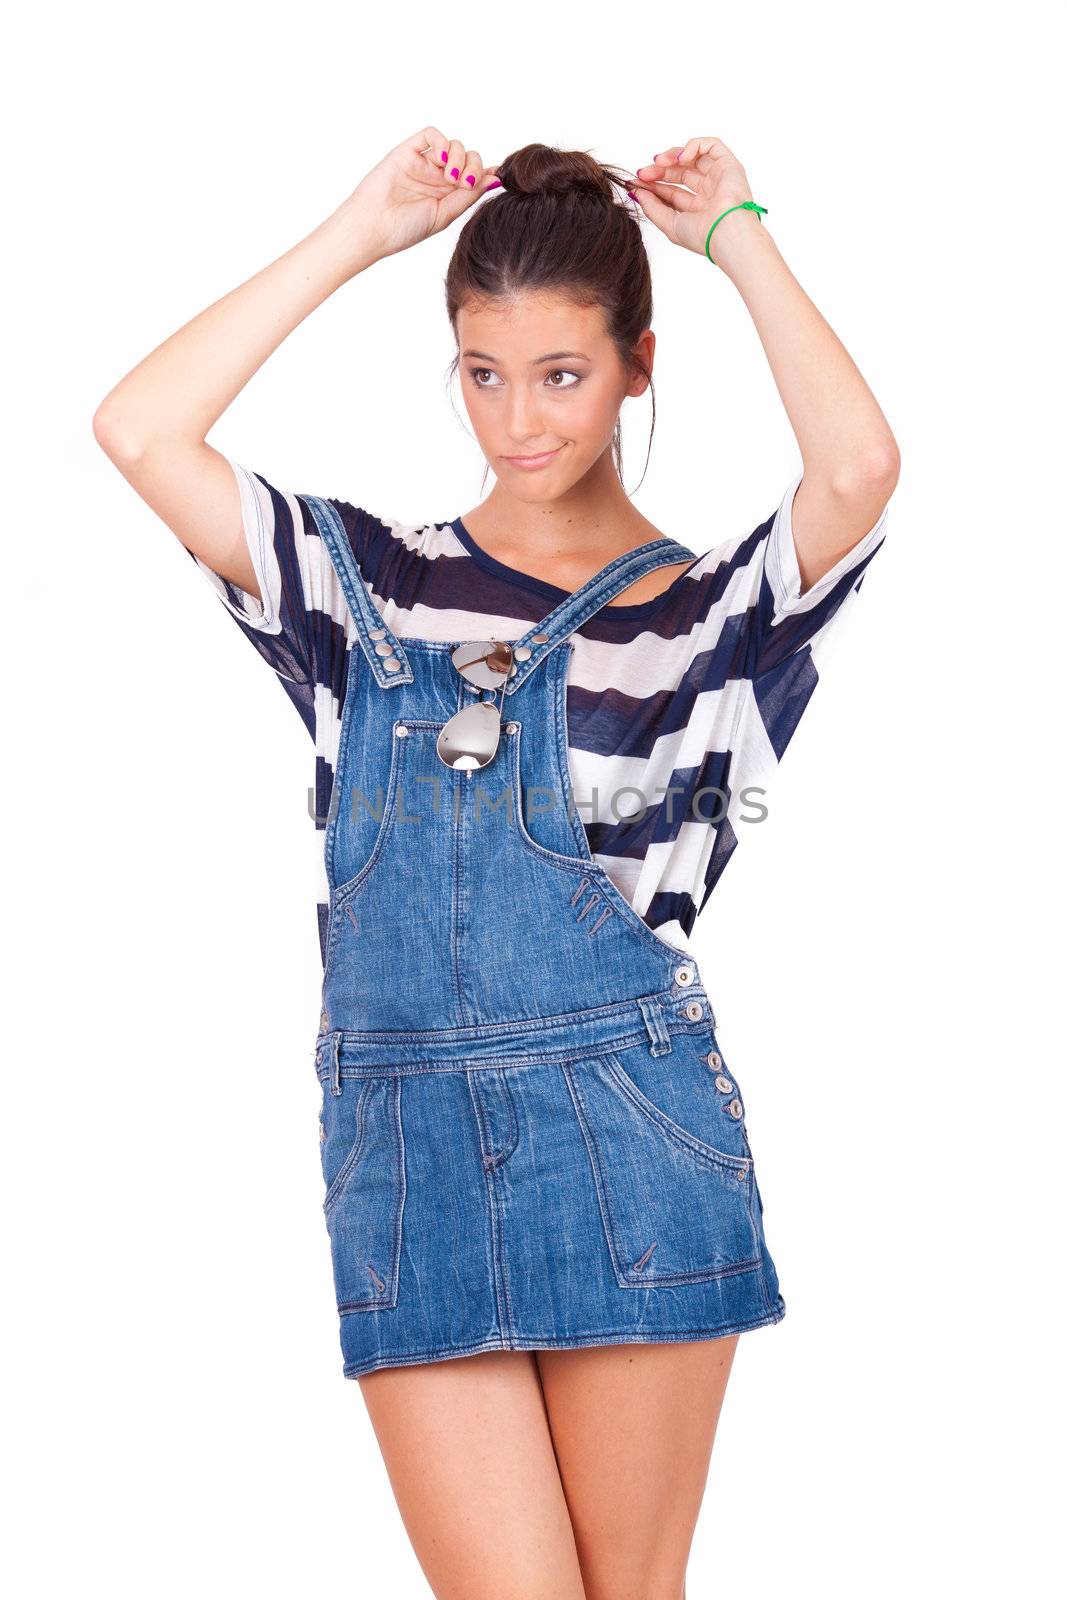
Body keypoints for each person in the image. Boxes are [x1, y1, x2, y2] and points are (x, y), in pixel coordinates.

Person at [93, 129, 899, 1600]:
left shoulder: (709, 615)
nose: (518, 419)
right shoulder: (369, 584)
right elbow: (141, 431)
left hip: (625, 1134)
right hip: (403, 1148)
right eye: (483, 371)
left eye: (564, 374)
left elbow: (858, 465)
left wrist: (738, 233)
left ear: (638, 365)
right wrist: (358, 232)